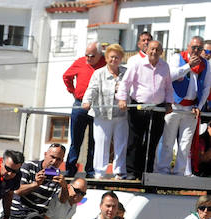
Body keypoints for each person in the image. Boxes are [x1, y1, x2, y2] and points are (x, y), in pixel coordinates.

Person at [116, 40, 173, 180]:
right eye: (152, 49)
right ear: (147, 50)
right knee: (134, 140)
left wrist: (169, 103)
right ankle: (131, 172)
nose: (154, 52)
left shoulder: (165, 66)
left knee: (152, 142)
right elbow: (125, 83)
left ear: (161, 52)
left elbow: (168, 87)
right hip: (139, 106)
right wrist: (122, 99)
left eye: (157, 49)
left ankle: (146, 172)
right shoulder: (137, 64)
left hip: (157, 108)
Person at [157, 36, 211, 176]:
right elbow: (170, 76)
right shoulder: (177, 58)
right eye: (194, 47)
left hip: (191, 109)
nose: (196, 50)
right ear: (188, 47)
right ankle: (163, 170)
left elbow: (206, 87)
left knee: (185, 143)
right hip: (174, 106)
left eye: (199, 48)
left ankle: (180, 172)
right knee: (168, 141)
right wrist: (188, 66)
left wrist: (199, 106)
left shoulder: (205, 64)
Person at [8, 143, 69, 219]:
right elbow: (17, 190)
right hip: (18, 213)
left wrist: (64, 186)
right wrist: (35, 184)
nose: (54, 161)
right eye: (52, 157)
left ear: (62, 161)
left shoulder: (58, 177)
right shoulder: (29, 166)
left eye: (58, 159)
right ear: (45, 154)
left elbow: (63, 200)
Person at [82, 44, 129, 178]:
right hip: (102, 114)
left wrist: (125, 98)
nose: (114, 60)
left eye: (117, 57)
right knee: (101, 143)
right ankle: (99, 172)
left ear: (121, 58)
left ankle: (119, 171)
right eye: (111, 57)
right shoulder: (99, 73)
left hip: (121, 114)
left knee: (121, 143)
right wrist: (87, 101)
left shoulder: (126, 72)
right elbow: (92, 89)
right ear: (107, 58)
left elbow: (132, 88)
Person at [63, 42, 106, 177]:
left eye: (92, 56)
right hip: (80, 104)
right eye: (86, 55)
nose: (88, 58)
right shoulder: (80, 62)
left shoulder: (105, 63)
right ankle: (70, 169)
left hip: (98, 106)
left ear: (100, 55)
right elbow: (66, 76)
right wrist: (72, 91)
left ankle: (90, 170)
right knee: (76, 140)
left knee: (94, 140)